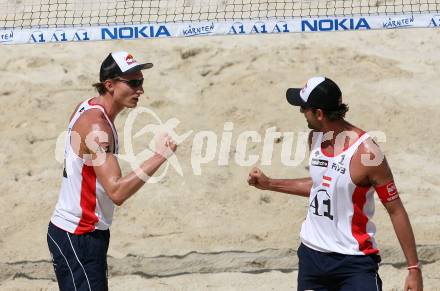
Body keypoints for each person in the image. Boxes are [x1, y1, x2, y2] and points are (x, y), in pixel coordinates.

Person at [247, 76, 423, 291]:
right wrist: (270, 183)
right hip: (312, 257)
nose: (301, 112)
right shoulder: (315, 138)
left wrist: (413, 269)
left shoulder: (368, 153)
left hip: (354, 261)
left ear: (319, 113)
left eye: (304, 108)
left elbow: (395, 210)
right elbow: (322, 185)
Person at [47, 51, 176, 291]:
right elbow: (116, 191)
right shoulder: (98, 126)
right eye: (134, 83)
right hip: (78, 233)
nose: (141, 90)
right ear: (109, 85)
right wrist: (160, 156)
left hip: (84, 232)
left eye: (142, 82)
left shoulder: (88, 107)